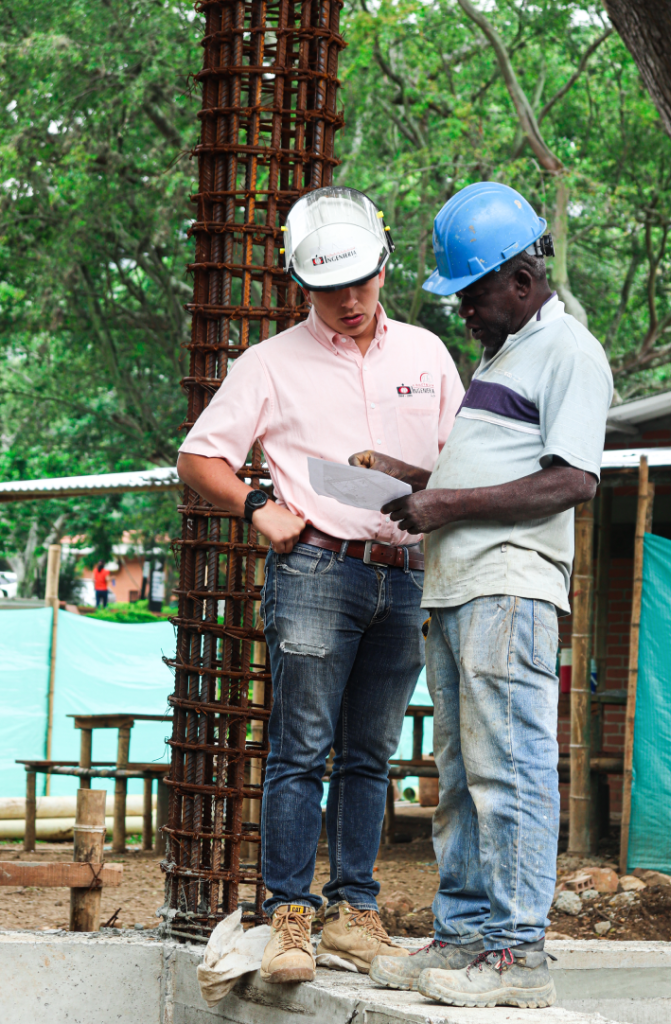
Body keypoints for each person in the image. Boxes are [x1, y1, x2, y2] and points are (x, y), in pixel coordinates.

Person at [176, 186, 465, 983]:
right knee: (301, 749)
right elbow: (198, 456)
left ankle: (354, 912)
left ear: (384, 267)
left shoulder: (427, 356)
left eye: (361, 283)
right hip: (314, 569)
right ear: (301, 285)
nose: (348, 301)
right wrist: (257, 503)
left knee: (370, 754)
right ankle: (289, 917)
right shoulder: (269, 364)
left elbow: (461, 462)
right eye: (328, 288)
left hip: (404, 573)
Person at [362, 182, 613, 1009]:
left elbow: (572, 479)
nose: (462, 312)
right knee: (464, 772)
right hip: (460, 586)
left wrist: (444, 505)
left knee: (511, 769)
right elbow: (493, 472)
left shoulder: (568, 350)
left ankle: (517, 954)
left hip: (510, 587)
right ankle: (466, 935)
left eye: (469, 295)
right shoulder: (502, 354)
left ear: (519, 277)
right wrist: (415, 484)